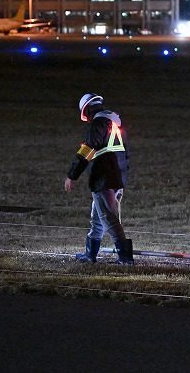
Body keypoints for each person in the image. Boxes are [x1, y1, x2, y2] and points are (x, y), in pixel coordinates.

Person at [64, 93, 134, 264]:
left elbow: (86, 150)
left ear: (87, 110)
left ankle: (125, 258)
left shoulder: (98, 124)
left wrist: (72, 175)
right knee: (98, 217)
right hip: (117, 176)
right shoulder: (116, 122)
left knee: (109, 218)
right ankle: (90, 255)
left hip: (103, 177)